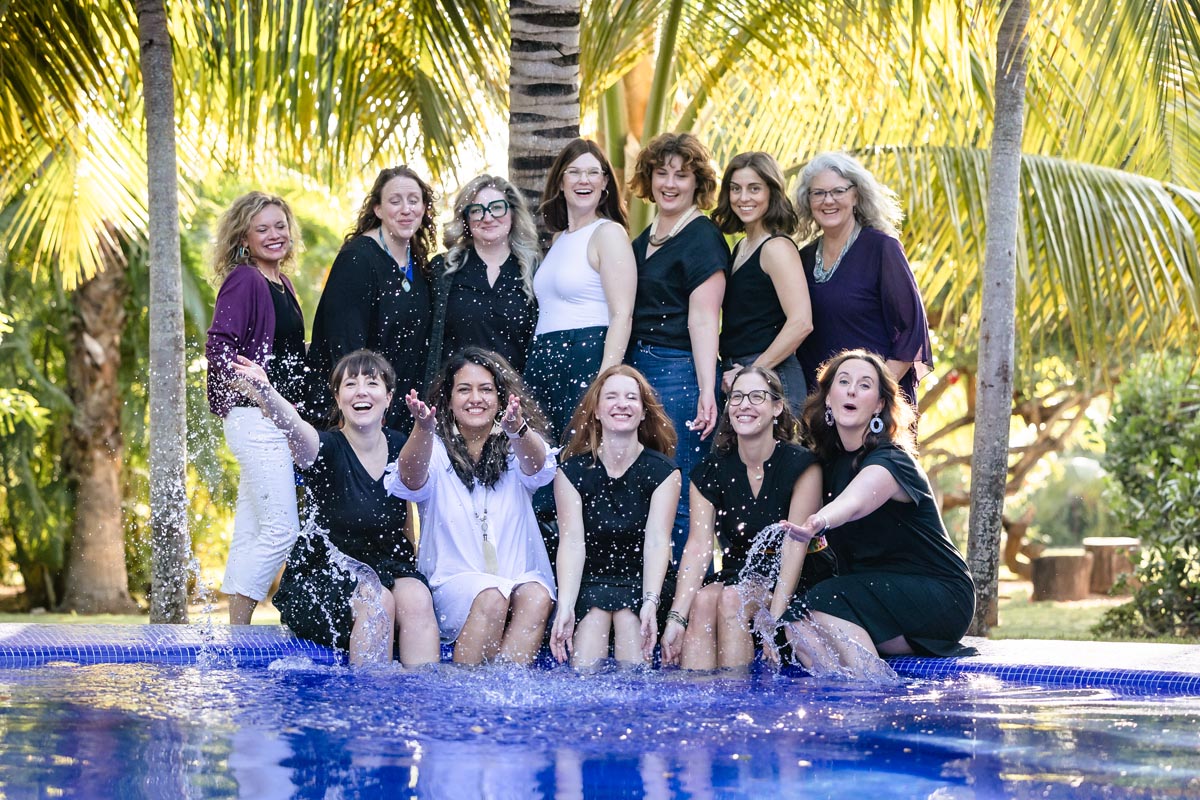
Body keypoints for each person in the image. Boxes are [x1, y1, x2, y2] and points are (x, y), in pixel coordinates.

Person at [230, 350, 440, 666]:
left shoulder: (400, 445)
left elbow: (414, 481)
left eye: (372, 383)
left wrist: (424, 428)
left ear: (388, 397)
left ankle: (422, 701)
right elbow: (295, 428)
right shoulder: (325, 448)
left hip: (384, 566)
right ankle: (370, 703)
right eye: (350, 384)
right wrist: (266, 394)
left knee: (418, 599)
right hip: (323, 574)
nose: (361, 391)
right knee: (378, 600)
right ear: (338, 398)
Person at [777, 349, 975, 675]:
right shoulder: (824, 464)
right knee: (797, 624)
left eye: (865, 385)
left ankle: (874, 696)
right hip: (875, 596)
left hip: (938, 594)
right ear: (828, 399)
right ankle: (845, 706)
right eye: (843, 382)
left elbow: (855, 501)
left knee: (823, 601)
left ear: (880, 404)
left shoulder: (891, 460)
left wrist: (819, 521)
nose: (852, 390)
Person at [385, 347, 557, 665]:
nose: (475, 398)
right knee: (491, 595)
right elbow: (409, 480)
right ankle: (465, 699)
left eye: (486, 390)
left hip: (515, 576)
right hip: (453, 582)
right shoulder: (433, 447)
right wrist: (422, 429)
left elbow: (539, 465)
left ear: (501, 398)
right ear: (448, 399)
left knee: (537, 595)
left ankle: (505, 693)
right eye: (464, 389)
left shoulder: (515, 446)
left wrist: (518, 428)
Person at [659, 367, 836, 670]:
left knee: (731, 599)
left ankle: (737, 705)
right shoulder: (711, 470)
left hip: (801, 575)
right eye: (737, 397)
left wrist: (773, 619)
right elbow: (699, 547)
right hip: (742, 572)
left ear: (777, 407)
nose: (744, 405)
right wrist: (676, 618)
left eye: (757, 397)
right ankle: (696, 704)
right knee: (702, 601)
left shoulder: (803, 466)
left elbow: (795, 547)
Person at [204, 191, 307, 626]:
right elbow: (219, 345)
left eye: (280, 226)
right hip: (255, 419)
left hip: (276, 420)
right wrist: (253, 392)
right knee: (283, 530)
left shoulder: (282, 283)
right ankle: (239, 631)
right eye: (262, 228)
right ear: (244, 237)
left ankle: (237, 637)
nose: (274, 235)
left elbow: (287, 353)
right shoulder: (245, 279)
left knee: (251, 530)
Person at [627, 132, 729, 560]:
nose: (669, 183)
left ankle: (683, 607)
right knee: (644, 487)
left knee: (681, 489)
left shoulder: (703, 238)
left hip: (679, 373)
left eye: (681, 175)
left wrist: (707, 390)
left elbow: (705, 319)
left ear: (697, 184)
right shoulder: (643, 238)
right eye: (661, 172)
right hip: (637, 369)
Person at [549, 366, 681, 667]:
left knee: (629, 624)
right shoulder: (570, 473)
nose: (622, 404)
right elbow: (571, 543)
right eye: (611, 397)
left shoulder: (663, 472)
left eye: (631, 397)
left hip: (643, 579)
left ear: (643, 412)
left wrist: (650, 600)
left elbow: (658, 541)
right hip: (591, 579)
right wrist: (566, 605)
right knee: (586, 658)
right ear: (596, 411)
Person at [793, 152, 933, 406]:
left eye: (838, 191)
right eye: (819, 193)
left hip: (875, 405)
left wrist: (872, 397)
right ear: (808, 200)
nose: (828, 200)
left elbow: (910, 332)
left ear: (855, 195)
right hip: (819, 407)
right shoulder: (802, 258)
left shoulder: (881, 248)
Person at [524, 138, 637, 445]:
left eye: (592, 172)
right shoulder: (559, 238)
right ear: (560, 182)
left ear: (605, 183)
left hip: (584, 354)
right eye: (574, 172)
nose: (583, 180)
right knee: (544, 466)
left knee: (580, 461)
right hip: (545, 358)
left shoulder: (608, 233)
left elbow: (622, 315)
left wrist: (605, 382)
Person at [307, 165, 436, 431]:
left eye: (414, 200)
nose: (406, 209)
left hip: (401, 410)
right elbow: (343, 346)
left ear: (424, 209)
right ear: (377, 209)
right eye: (395, 201)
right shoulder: (357, 259)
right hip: (356, 413)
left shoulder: (420, 265)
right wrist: (362, 408)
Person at [712, 152, 813, 415]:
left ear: (772, 192)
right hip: (739, 371)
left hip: (773, 376)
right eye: (736, 189)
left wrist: (753, 372)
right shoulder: (742, 247)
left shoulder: (776, 247)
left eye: (754, 188)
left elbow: (801, 322)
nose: (743, 198)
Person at [424, 174, 540, 387]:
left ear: (513, 213)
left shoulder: (535, 271)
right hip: (456, 396)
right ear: (466, 219)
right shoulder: (443, 271)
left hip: (517, 399)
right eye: (477, 211)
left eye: (497, 208)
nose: (488, 218)